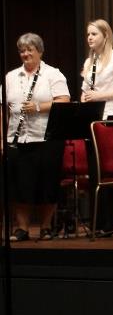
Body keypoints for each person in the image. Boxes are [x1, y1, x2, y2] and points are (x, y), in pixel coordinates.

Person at [5, 33, 70, 241]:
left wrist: (38, 107)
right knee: (20, 186)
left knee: (47, 184)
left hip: (47, 138)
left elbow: (64, 100)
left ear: (40, 51)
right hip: (18, 138)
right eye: (22, 50)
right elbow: (3, 109)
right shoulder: (11, 77)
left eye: (29, 50)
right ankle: (22, 229)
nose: (25, 54)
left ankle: (46, 227)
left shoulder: (53, 74)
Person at [79, 18, 113, 118]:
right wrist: (84, 102)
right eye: (88, 34)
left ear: (106, 35)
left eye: (94, 34)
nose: (89, 38)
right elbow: (85, 91)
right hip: (92, 114)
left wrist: (100, 95)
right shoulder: (88, 62)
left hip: (110, 114)